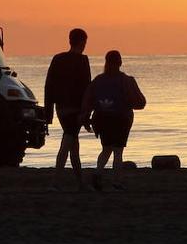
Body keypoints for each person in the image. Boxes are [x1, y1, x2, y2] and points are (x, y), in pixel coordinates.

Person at [81, 50, 146, 192]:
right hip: (121, 119)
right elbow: (141, 102)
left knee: (106, 149)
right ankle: (116, 182)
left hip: (102, 119)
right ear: (120, 63)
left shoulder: (98, 80)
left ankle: (98, 174)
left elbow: (87, 101)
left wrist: (85, 118)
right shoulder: (127, 80)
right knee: (117, 151)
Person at [43, 28, 92, 190]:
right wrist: (87, 113)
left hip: (61, 109)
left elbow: (48, 87)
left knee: (73, 144)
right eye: (85, 42)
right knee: (68, 142)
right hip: (76, 110)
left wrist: (48, 113)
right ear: (82, 42)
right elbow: (87, 89)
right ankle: (55, 182)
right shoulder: (83, 61)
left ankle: (80, 183)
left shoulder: (58, 59)